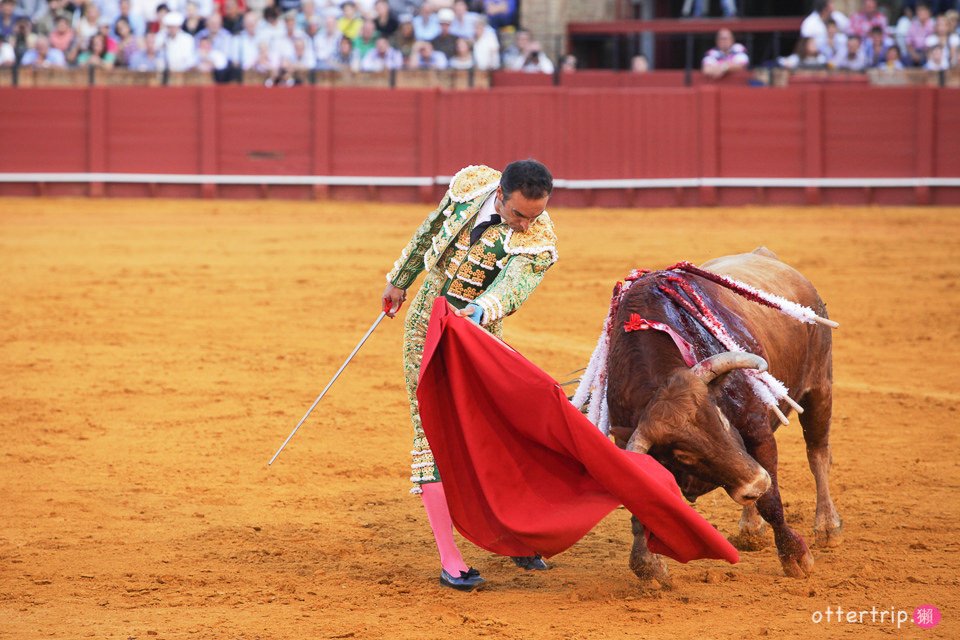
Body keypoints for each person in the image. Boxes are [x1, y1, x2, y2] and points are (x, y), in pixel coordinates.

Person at [380, 160, 558, 591]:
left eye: (534, 216)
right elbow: (430, 228)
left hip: (478, 335)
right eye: (518, 214)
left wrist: (484, 308)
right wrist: (399, 280)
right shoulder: (470, 185)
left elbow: (514, 285)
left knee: (493, 430)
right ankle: (450, 559)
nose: (524, 225)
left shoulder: (540, 240)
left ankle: (514, 536)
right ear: (499, 193)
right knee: (430, 431)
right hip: (425, 322)